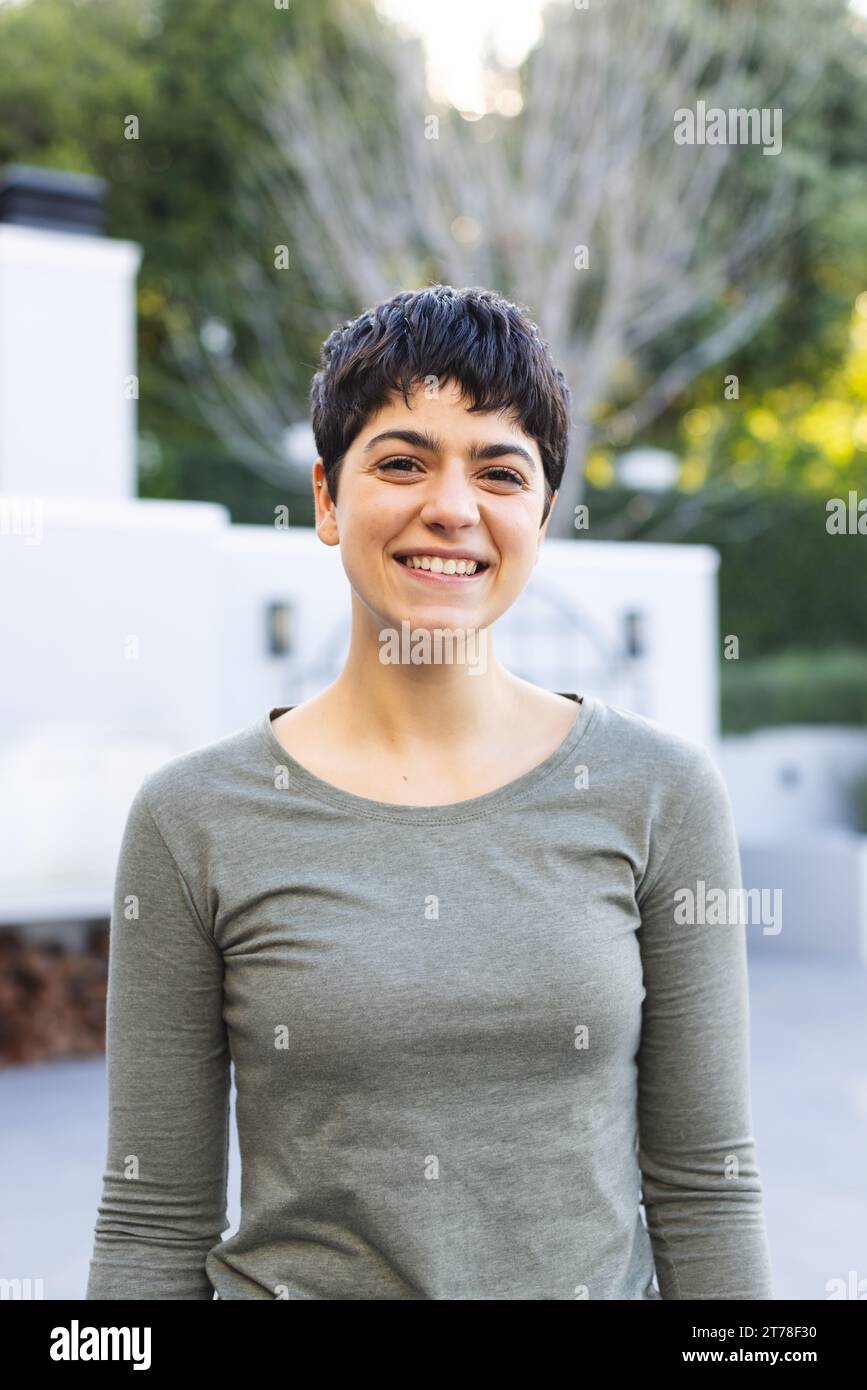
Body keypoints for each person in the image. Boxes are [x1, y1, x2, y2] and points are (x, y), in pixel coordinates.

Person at [86, 283, 773, 1300]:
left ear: (541, 513)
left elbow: (705, 1190)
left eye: (500, 471)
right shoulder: (193, 818)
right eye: (402, 462)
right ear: (326, 498)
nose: (451, 506)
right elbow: (152, 1222)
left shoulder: (660, 794)